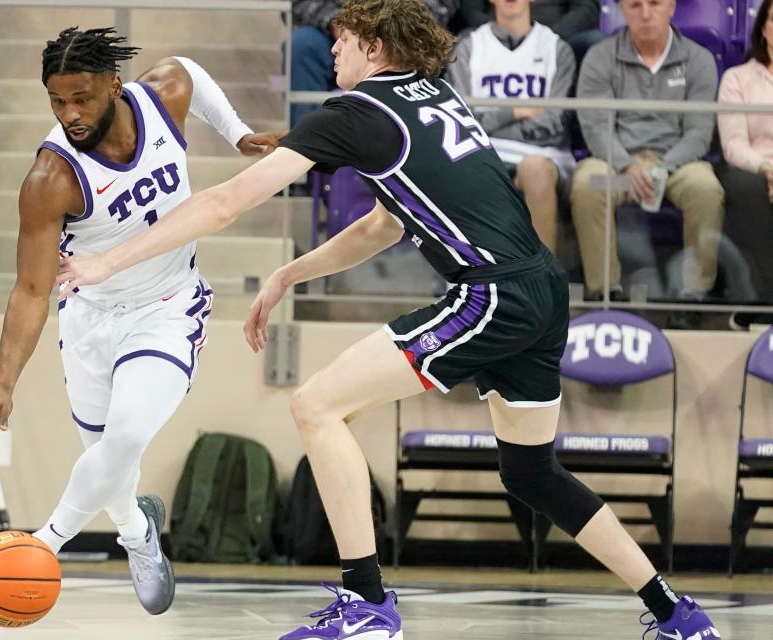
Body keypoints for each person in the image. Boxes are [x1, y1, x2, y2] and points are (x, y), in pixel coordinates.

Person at [54, 2, 721, 639]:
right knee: (532, 474)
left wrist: (108, 262)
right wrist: (289, 273)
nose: (333, 49)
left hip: (489, 295)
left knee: (316, 405)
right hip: (543, 290)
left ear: (374, 47)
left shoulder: (358, 109)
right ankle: (674, 610)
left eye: (342, 39)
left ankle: (367, 601)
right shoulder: (434, 95)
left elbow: (227, 200)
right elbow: (384, 224)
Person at [0, 27, 279, 615]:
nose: (70, 113)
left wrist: (238, 134)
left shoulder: (163, 99)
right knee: (108, 460)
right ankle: (138, 533)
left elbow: (189, 68)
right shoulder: (50, 179)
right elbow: (30, 290)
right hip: (90, 321)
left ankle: (43, 544)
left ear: (114, 83)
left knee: (126, 436)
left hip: (168, 306)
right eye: (57, 101)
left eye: (81, 97)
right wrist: (4, 384)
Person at [571, 0, 723, 307]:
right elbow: (596, 125)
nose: (645, 13)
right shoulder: (601, 57)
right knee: (589, 184)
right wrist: (628, 165)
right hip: (617, 171)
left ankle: (693, 295)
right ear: (622, 10)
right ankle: (604, 292)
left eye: (654, 3)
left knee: (706, 189)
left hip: (676, 169)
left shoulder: (699, 59)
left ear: (672, 6)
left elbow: (698, 132)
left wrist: (663, 168)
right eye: (634, 5)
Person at [448, 0, 575, 252]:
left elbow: (555, 124)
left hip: (542, 153)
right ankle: (471, 281)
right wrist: (516, 111)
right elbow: (461, 122)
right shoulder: (468, 48)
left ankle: (540, 282)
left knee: (534, 170)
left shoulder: (557, 49)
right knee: (459, 170)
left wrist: (489, 122)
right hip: (481, 151)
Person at [291, 0, 460, 126]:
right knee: (303, 44)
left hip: (400, 27)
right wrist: (342, 25)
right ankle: (300, 149)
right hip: (336, 24)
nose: (335, 50)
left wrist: (389, 24)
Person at [717, 0, 773, 329]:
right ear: (763, 28)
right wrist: (766, 169)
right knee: (745, 187)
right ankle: (764, 301)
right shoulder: (736, 79)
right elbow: (733, 144)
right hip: (753, 170)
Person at [458, 0, 603, 63]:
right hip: (498, 32)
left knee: (594, 42)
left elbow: (586, 8)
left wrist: (548, 36)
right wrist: (498, 33)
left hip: (559, 35)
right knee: (463, 41)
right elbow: (471, 10)